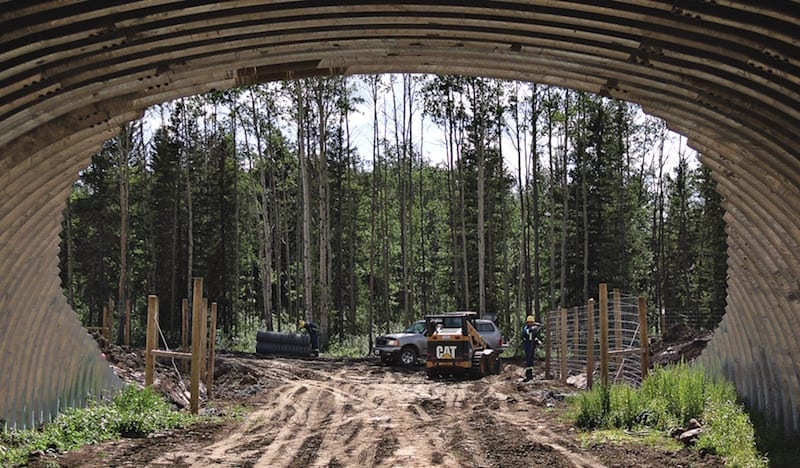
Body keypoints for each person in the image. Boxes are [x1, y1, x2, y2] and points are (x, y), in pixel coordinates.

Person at [522, 315, 542, 382]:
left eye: (532, 322)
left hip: (532, 344)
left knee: (531, 359)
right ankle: (528, 374)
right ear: (527, 322)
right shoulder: (526, 328)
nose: (530, 323)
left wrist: (537, 341)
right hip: (527, 344)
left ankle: (530, 373)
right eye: (529, 322)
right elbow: (525, 333)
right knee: (528, 359)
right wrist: (531, 329)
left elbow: (534, 336)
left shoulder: (534, 329)